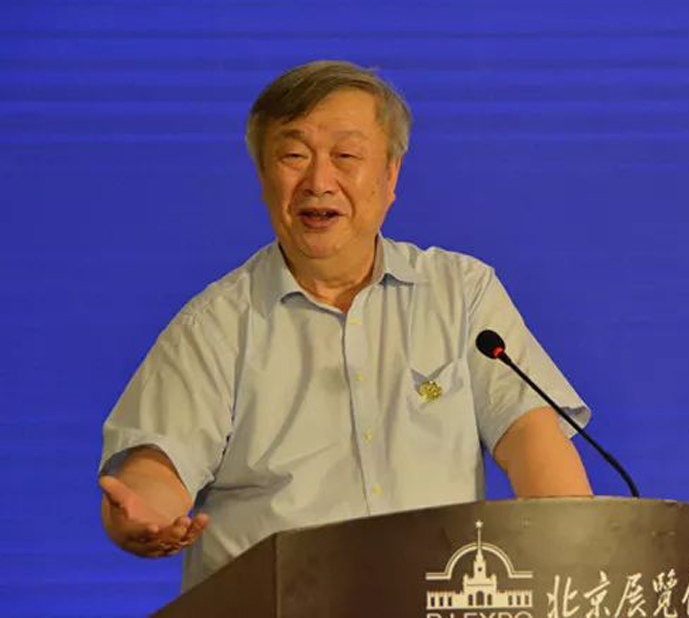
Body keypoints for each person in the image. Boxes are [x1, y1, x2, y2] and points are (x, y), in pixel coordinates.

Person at [98, 60, 592, 591]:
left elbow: (530, 434)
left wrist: (580, 554)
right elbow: (157, 464)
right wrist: (144, 513)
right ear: (263, 177)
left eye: (346, 156)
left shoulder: (460, 292)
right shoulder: (216, 325)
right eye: (293, 156)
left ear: (390, 175)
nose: (319, 182)